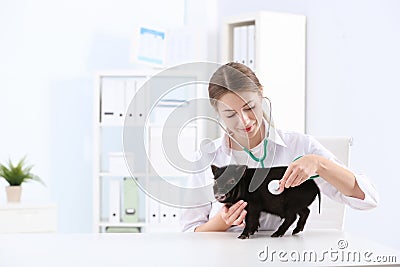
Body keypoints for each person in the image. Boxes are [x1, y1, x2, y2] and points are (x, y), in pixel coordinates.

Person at [180, 62, 378, 233]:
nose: (245, 120)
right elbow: (189, 231)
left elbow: (367, 198)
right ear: (218, 113)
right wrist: (220, 223)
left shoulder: (299, 146)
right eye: (231, 115)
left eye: (250, 107)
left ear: (261, 94)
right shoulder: (208, 158)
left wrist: (319, 164)